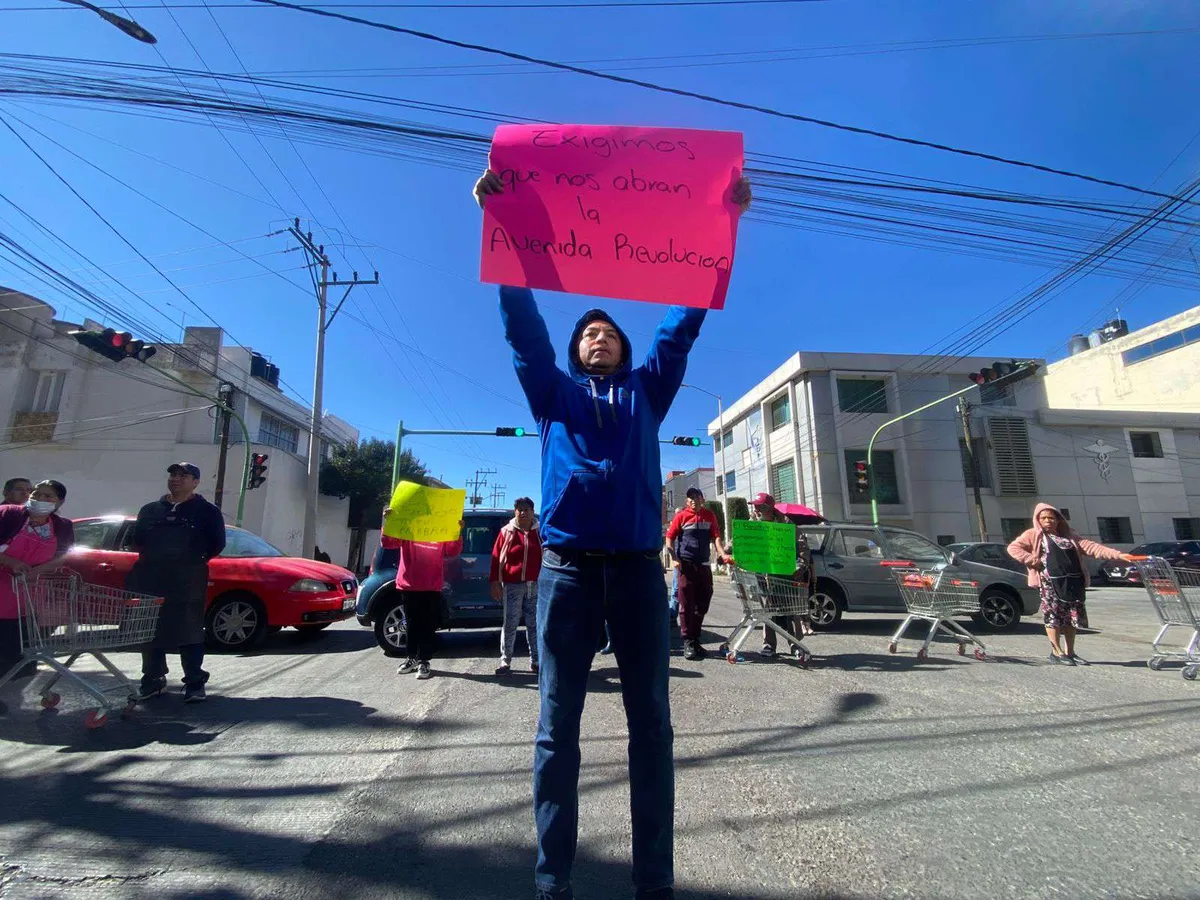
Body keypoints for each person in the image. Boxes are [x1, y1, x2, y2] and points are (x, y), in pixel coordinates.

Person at [476, 166, 751, 900]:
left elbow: (680, 323)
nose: (599, 337)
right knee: (553, 731)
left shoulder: (647, 394)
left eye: (608, 333)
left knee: (651, 731)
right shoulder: (553, 394)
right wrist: (503, 228)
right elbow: (525, 332)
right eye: (588, 333)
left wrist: (723, 225)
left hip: (635, 574)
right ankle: (552, 884)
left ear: (625, 353)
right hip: (563, 574)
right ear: (576, 354)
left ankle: (652, 884)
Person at [128, 463, 226, 703]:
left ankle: (194, 682)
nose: (176, 479)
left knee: (189, 629)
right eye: (173, 474)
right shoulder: (150, 510)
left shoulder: (207, 511)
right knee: (149, 628)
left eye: (184, 476)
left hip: (188, 577)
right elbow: (137, 539)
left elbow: (217, 544)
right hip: (151, 576)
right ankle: (152, 679)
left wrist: (190, 560)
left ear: (195, 482)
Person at [1007, 503, 1134, 666]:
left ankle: (1070, 652)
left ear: (1058, 520)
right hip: (1051, 583)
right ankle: (1056, 652)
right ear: (1038, 520)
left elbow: (1092, 548)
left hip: (1074, 582)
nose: (1047, 521)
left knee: (1071, 617)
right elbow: (1013, 548)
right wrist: (1032, 561)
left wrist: (1119, 555)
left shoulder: (1069, 536)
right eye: (1043, 518)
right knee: (1053, 617)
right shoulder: (1033, 535)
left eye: (1051, 518)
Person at [0, 480, 74, 708]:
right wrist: (10, 561)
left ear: (59, 502)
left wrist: (37, 572)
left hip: (28, 595)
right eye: (37, 494)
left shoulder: (61, 526)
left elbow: (64, 555)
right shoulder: (8, 514)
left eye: (48, 496)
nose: (40, 499)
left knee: (16, 650)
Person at [382, 509, 463, 681]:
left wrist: (458, 531)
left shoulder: (441, 530)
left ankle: (424, 661)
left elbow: (453, 550)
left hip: (431, 585)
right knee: (410, 624)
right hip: (409, 584)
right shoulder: (408, 528)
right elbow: (388, 543)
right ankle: (411, 658)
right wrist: (388, 522)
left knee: (428, 625)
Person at [664, 488, 729, 660]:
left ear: (703, 498)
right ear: (687, 501)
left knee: (704, 599)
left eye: (696, 496)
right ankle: (688, 641)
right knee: (686, 603)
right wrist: (674, 558)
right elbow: (669, 537)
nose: (693, 500)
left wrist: (722, 554)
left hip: (704, 564)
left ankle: (695, 637)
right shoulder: (682, 516)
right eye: (690, 497)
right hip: (686, 564)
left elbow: (716, 536)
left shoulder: (709, 515)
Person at [748, 493, 812, 656]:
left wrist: (802, 564)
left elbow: (802, 545)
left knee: (790, 610)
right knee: (767, 611)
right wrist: (728, 551)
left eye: (759, 507)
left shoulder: (786, 523)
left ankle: (795, 643)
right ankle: (768, 644)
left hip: (785, 574)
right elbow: (740, 541)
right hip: (763, 574)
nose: (756, 510)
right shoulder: (753, 523)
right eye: (754, 506)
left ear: (769, 508)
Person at [490, 497, 543, 676]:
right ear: (515, 512)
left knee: (534, 624)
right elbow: (496, 558)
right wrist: (495, 582)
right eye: (519, 509)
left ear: (532, 511)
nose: (523, 512)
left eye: (526, 509)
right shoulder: (507, 532)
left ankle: (536, 661)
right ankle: (505, 661)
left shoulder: (541, 532)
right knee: (510, 623)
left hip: (535, 586)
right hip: (512, 585)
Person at [667, 507, 683, 629]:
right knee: (676, 590)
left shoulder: (687, 527)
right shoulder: (673, 528)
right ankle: (672, 617)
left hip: (688, 562)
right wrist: (674, 558)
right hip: (678, 563)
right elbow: (669, 543)